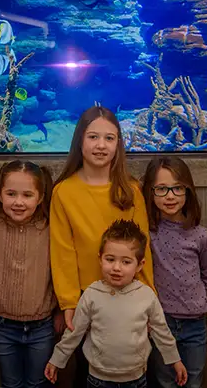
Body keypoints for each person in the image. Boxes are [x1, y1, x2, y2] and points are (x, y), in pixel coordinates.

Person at [50, 106, 155, 386]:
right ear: (79, 141)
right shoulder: (63, 192)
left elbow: (143, 250)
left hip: (130, 297)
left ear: (119, 143)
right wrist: (69, 302)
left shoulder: (130, 191)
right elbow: (62, 252)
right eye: (93, 137)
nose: (101, 145)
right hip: (87, 300)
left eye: (109, 138)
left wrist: (149, 298)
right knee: (89, 371)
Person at [44, 220, 187, 388]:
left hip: (136, 379)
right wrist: (57, 360)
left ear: (140, 265)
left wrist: (175, 360)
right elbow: (74, 332)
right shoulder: (92, 294)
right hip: (98, 379)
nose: (116, 268)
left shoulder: (146, 296)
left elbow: (161, 331)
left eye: (126, 262)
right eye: (110, 259)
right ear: (100, 259)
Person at [0, 160, 64, 388]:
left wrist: (60, 312)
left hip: (42, 326)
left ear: (40, 197)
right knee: (11, 383)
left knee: (38, 383)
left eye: (27, 195)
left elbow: (59, 275)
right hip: (3, 325)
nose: (18, 202)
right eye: (11, 194)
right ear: (0, 194)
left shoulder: (50, 229)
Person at [142, 156, 207, 388]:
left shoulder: (201, 235)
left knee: (194, 380)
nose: (170, 196)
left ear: (188, 190)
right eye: (161, 189)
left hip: (195, 324)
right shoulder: (148, 234)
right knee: (165, 381)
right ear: (151, 193)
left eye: (177, 188)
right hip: (161, 322)